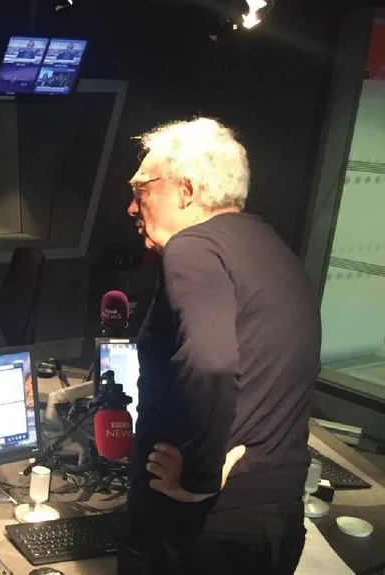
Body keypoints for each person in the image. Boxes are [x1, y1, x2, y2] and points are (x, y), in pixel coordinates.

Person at [119, 117, 319, 574]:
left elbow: (211, 362)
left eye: (141, 191)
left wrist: (198, 478)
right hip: (274, 520)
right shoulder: (273, 248)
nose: (132, 208)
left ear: (185, 191)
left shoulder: (193, 247)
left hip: (199, 533)